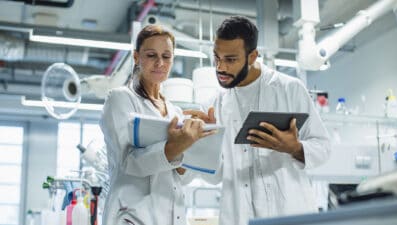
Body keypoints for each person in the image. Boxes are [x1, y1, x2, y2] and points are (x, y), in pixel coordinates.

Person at [184, 16, 331, 225]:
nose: (220, 67)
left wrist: (295, 148)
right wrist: (206, 144)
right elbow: (215, 176)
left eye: (231, 59)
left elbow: (323, 147)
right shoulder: (214, 105)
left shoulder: (289, 89)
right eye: (216, 57)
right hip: (238, 217)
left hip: (288, 214)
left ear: (252, 56)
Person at [100, 24, 214, 225]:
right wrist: (175, 146)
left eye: (166, 56)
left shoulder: (175, 112)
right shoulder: (120, 99)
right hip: (132, 216)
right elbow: (129, 162)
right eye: (151, 55)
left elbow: (183, 178)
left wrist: (201, 139)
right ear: (136, 57)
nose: (160, 62)